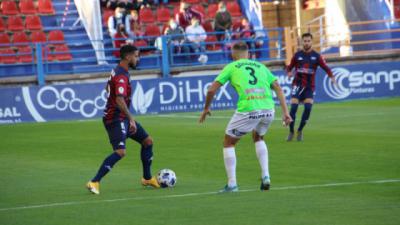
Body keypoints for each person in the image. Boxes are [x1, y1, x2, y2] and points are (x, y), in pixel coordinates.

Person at [199, 42, 292, 192]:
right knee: (258, 137)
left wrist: (206, 108)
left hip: (249, 109)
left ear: (233, 55)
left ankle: (232, 184)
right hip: (268, 109)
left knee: (228, 142)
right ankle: (266, 176)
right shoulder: (260, 66)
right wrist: (286, 112)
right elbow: (278, 87)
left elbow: (211, 90)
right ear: (248, 54)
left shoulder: (231, 67)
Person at [87, 45, 160, 195]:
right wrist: (131, 119)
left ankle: (147, 178)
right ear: (128, 57)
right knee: (120, 151)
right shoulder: (121, 75)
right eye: (136, 56)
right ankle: (94, 181)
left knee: (148, 141)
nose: (137, 59)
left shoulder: (119, 71)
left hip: (121, 117)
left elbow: (108, 89)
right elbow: (119, 99)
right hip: (115, 118)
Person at [286, 33, 336, 141]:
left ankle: (300, 130)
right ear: (302, 42)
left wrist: (332, 77)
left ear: (311, 42)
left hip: (309, 87)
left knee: (308, 108)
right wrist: (289, 72)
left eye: (308, 41)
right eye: (305, 41)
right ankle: (291, 131)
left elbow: (326, 68)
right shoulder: (297, 55)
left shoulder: (317, 57)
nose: (307, 43)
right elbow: (289, 67)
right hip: (297, 85)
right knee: (293, 108)